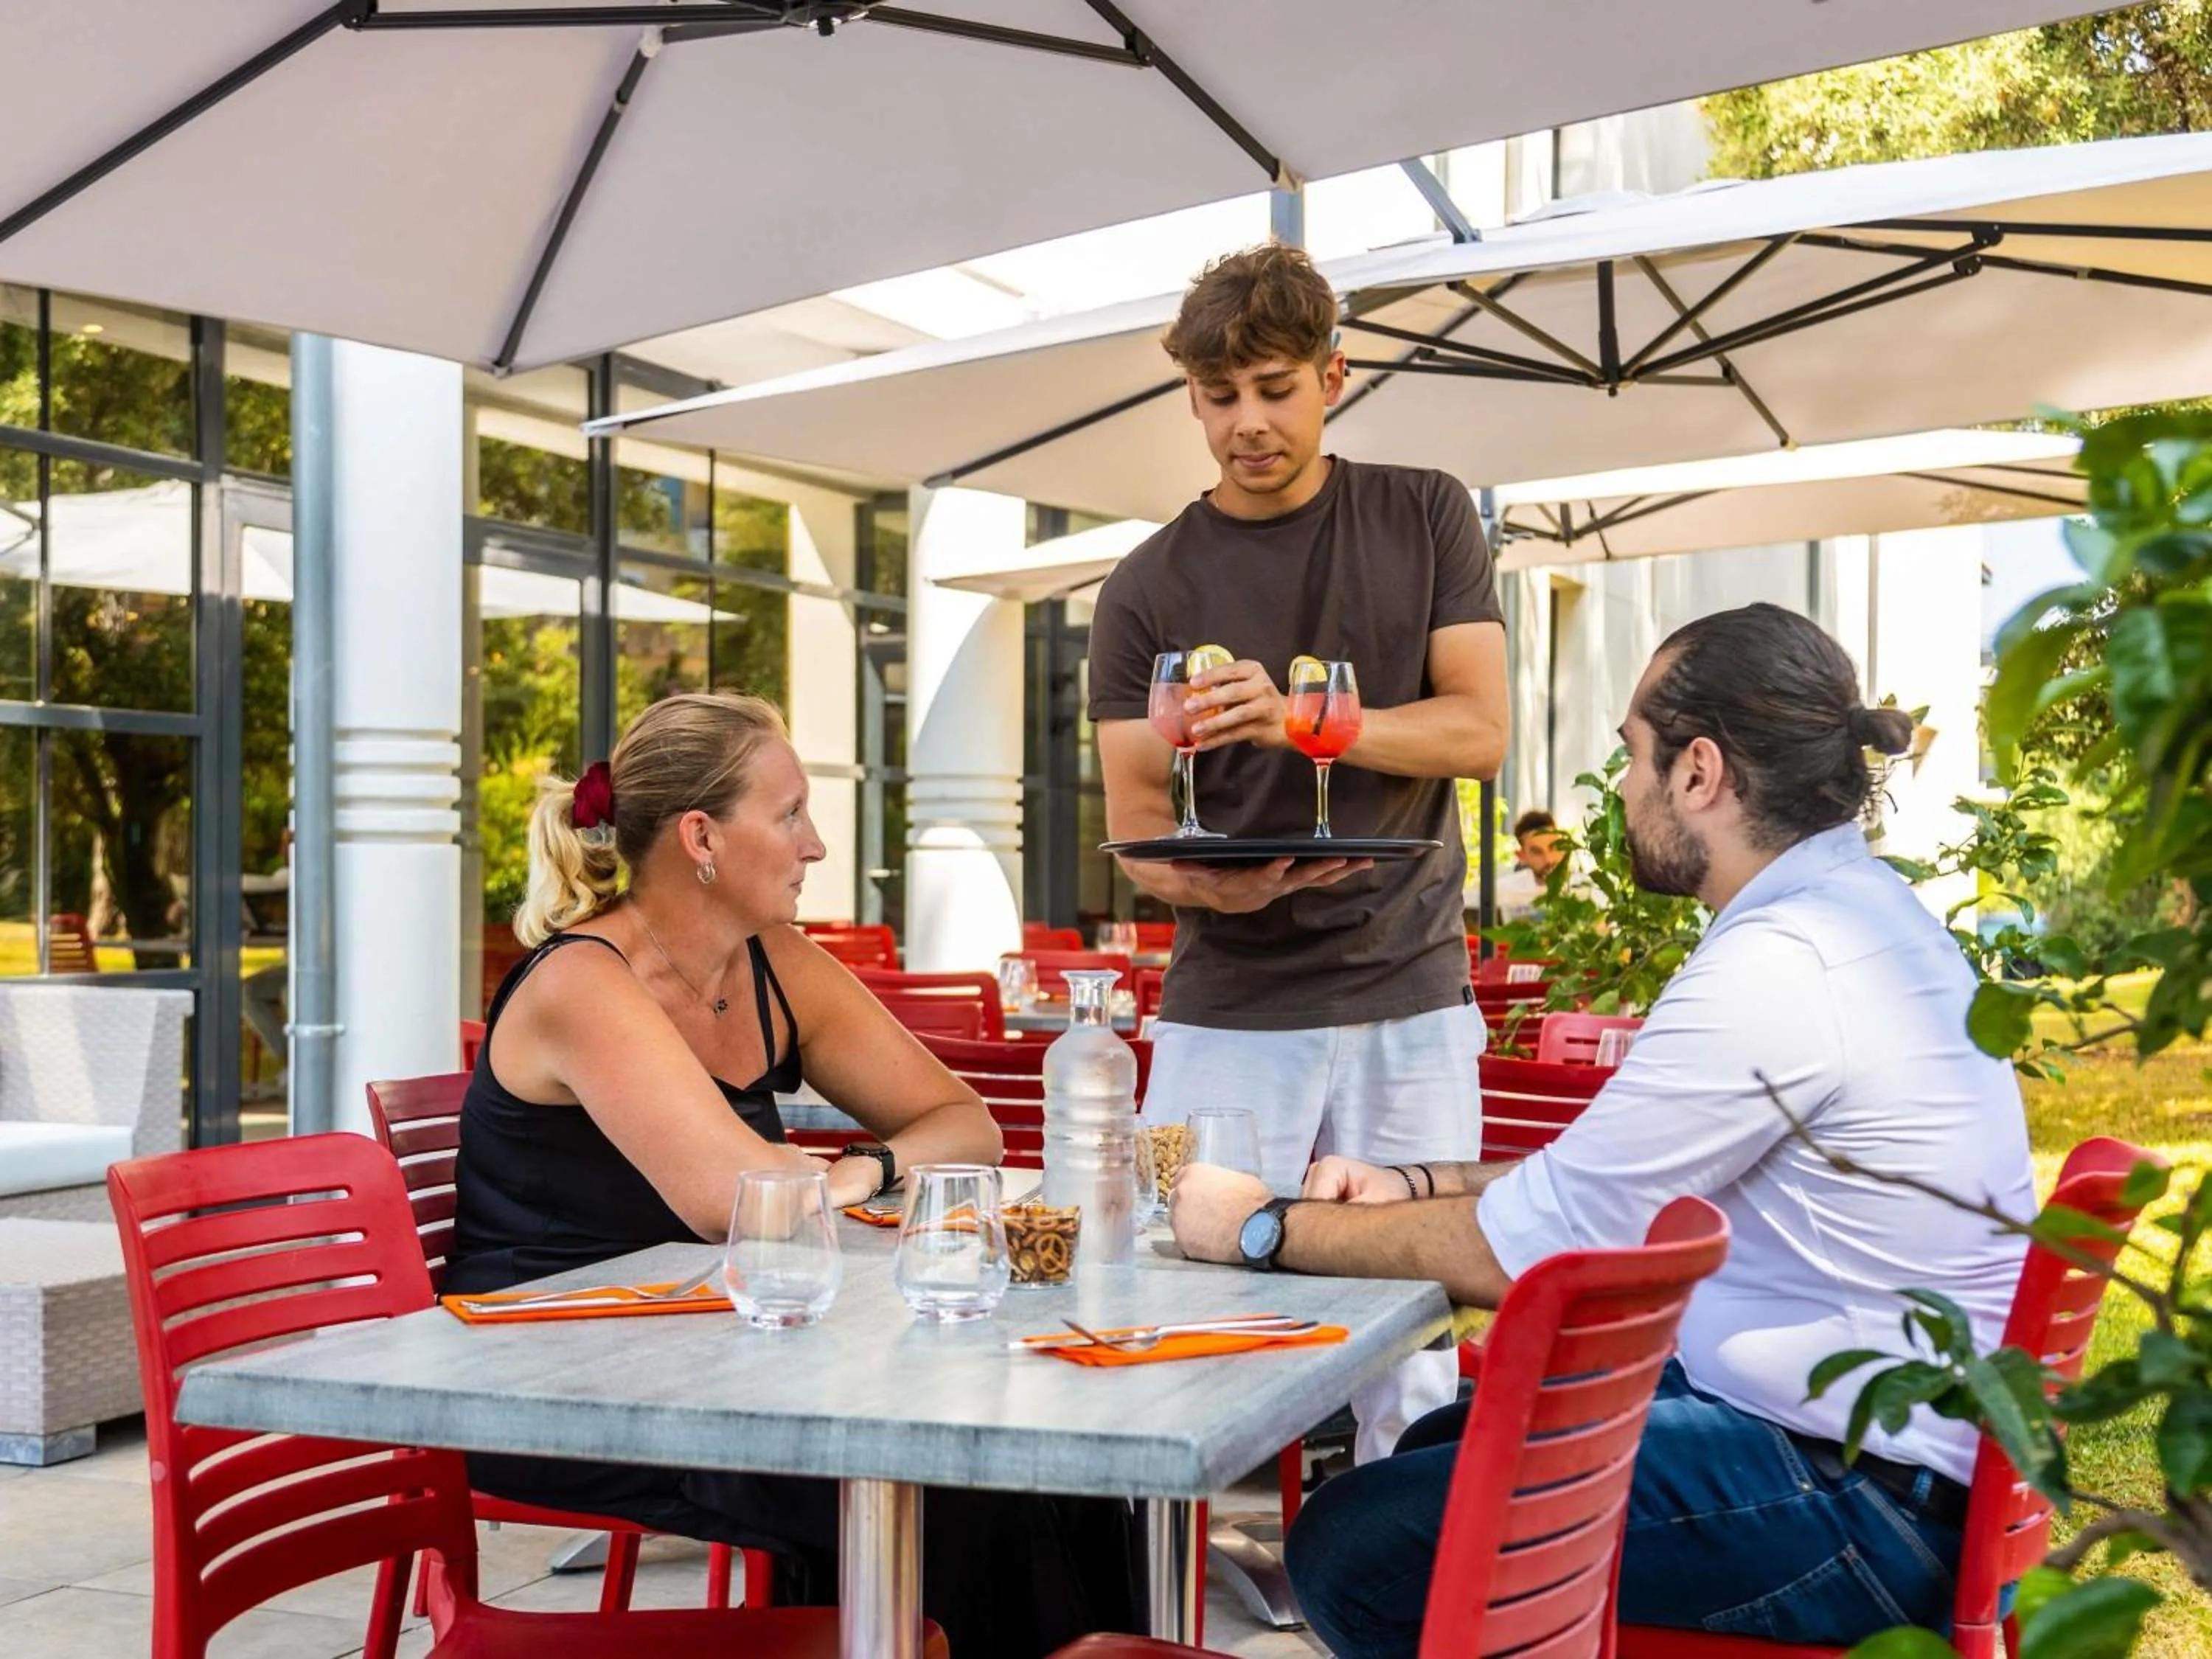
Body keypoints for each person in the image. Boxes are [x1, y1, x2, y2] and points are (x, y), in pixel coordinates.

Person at [1167, 603, 2037, 1655]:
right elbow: (1603, 1184)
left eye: (1633, 754)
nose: (1623, 784)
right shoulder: (1858, 918)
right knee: (1446, 1439)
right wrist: (1413, 1182)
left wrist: (1263, 1224)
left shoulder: (1782, 962)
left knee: (1358, 1544)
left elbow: (1531, 1247)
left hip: (1864, 1505)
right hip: (1898, 1458)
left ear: (1701, 771)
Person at [445, 692, 1142, 1658]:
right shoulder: (584, 982)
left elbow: (964, 1124)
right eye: (790, 814)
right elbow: (746, 1202)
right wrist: (823, 1184)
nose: (815, 844)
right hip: (563, 1383)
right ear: (702, 837)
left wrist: (862, 1167)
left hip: (719, 1357)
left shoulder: (771, 961)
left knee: (1058, 1460)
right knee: (957, 1486)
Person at [1087, 243, 1509, 1462]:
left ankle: (1403, 1597)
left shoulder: (1424, 512)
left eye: (1273, 389)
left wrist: (1311, 723)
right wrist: (1203, 877)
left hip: (1410, 993)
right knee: (1177, 1312)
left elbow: (1479, 731)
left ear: (1335, 376)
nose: (1247, 424)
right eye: (1220, 398)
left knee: (1414, 1346)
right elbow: (1133, 823)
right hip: (1229, 1000)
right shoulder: (1145, 585)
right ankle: (1164, 1611)